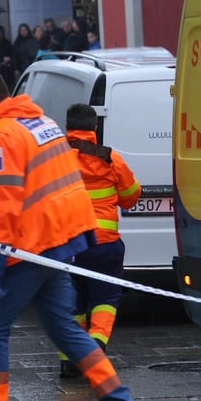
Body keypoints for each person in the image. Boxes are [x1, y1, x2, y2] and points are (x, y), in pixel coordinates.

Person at [0, 69, 146, 401]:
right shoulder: (42, 123)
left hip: (26, 248)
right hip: (59, 244)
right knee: (65, 329)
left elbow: (0, 209)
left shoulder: (2, 136)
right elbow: (66, 187)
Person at [57, 103, 141, 378]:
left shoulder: (53, 158)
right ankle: (95, 348)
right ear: (95, 128)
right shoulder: (110, 158)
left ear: (67, 126)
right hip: (104, 245)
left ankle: (70, 360)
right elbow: (131, 195)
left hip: (67, 245)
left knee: (73, 302)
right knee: (106, 298)